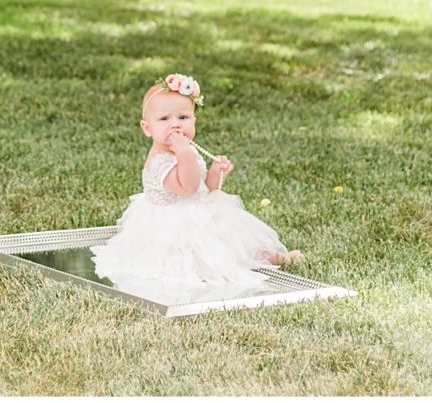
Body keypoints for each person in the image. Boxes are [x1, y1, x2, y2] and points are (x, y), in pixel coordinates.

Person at [90, 73, 300, 300]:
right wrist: (183, 151)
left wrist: (215, 172)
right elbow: (187, 187)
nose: (175, 125)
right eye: (164, 119)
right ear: (147, 128)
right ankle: (226, 267)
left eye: (183, 117)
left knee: (232, 236)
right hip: (170, 225)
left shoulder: (186, 149)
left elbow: (202, 187)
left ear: (194, 121)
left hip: (198, 210)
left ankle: (266, 257)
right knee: (199, 261)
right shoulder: (160, 160)